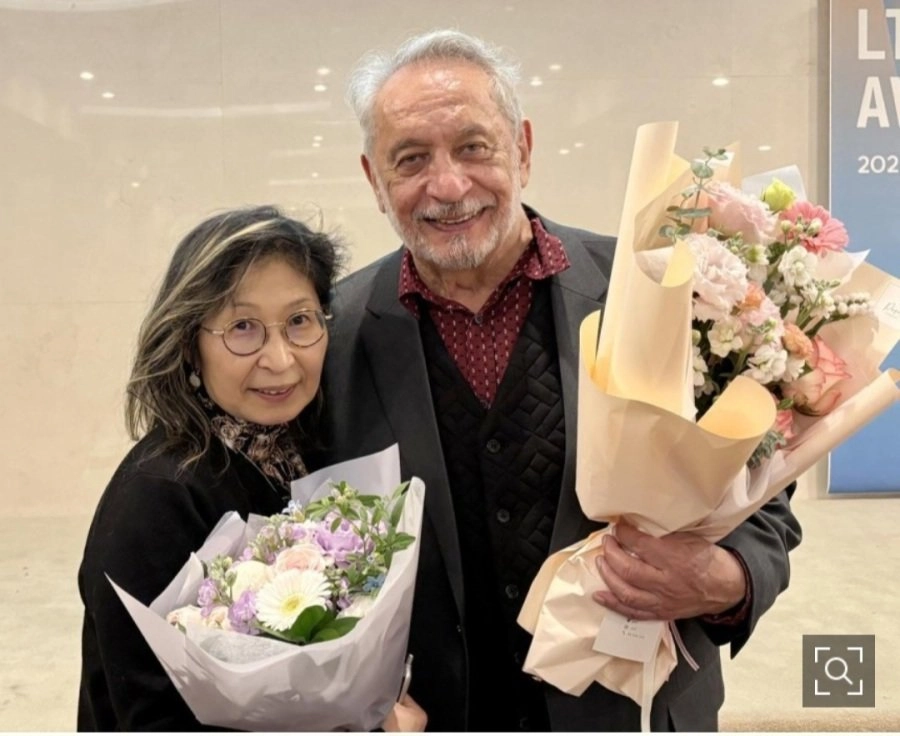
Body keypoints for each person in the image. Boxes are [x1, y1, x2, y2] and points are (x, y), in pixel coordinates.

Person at [315, 30, 803, 731]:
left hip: (634, 713)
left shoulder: (658, 287)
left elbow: (765, 496)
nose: (447, 186)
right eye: (411, 159)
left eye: (474, 147)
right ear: (374, 178)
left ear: (523, 148)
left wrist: (727, 579)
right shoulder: (330, 335)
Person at [77, 206, 426, 731]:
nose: (281, 360)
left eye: (300, 321)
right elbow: (150, 716)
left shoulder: (310, 446)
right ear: (189, 342)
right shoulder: (157, 498)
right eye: (243, 328)